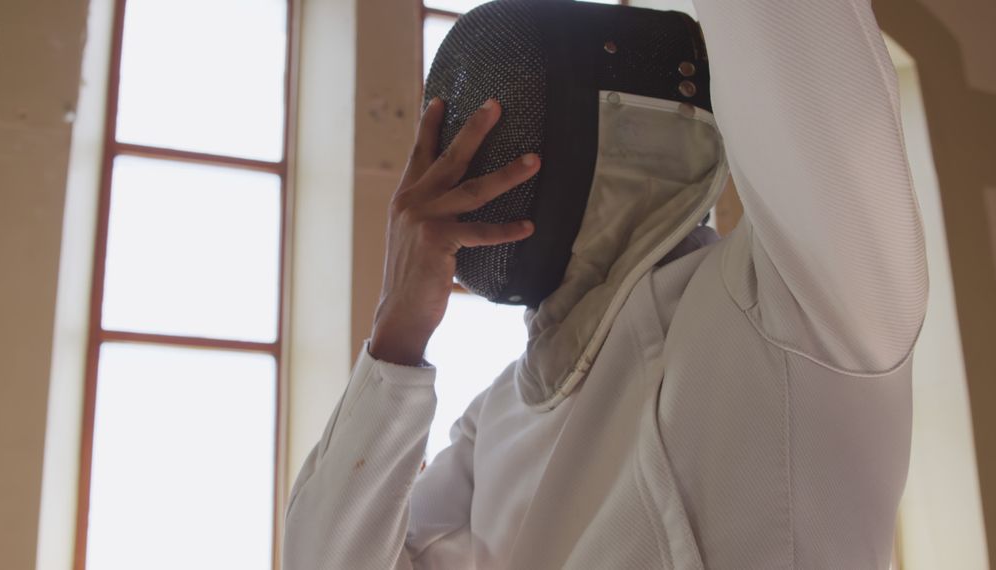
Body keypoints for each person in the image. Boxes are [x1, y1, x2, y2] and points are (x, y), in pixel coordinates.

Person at [283, 0, 928, 568]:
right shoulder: (500, 417)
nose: (466, 174)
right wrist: (395, 337)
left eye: (505, 122)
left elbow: (803, 49)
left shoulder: (796, 300)